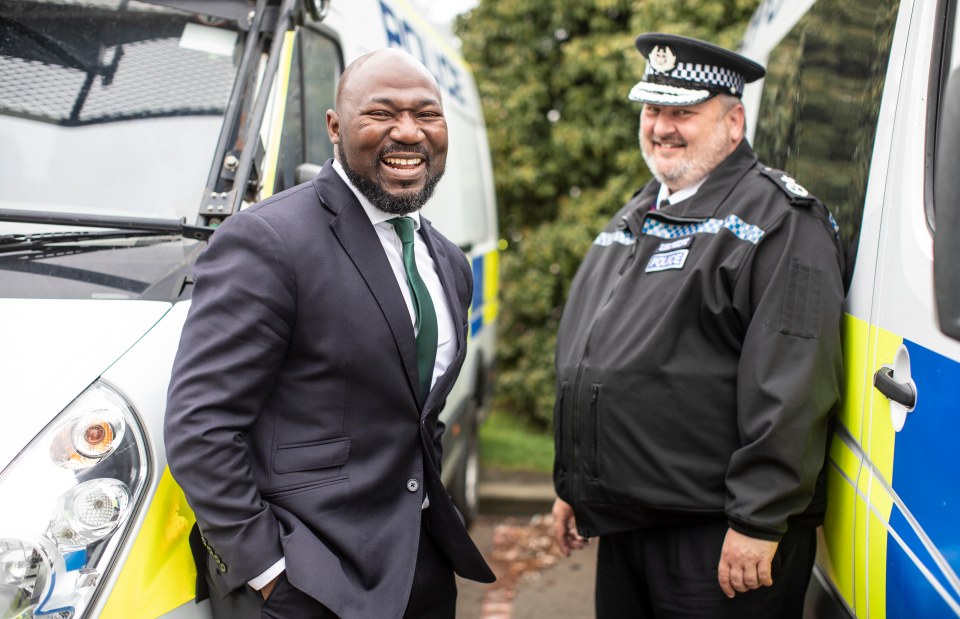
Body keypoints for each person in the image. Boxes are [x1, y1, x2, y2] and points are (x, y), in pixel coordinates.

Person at [164, 48, 494, 619]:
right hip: (309, 581)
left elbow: (419, 418)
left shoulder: (448, 262)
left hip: (420, 569)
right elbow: (201, 427)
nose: (409, 132)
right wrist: (268, 572)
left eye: (427, 114)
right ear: (335, 128)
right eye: (381, 114)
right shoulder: (267, 240)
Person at [550, 33, 845, 618]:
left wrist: (758, 519)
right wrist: (574, 486)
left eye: (683, 112)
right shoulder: (641, 210)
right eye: (653, 109)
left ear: (734, 123)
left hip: (719, 540)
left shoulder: (778, 221)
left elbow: (793, 381)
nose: (662, 126)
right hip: (629, 525)